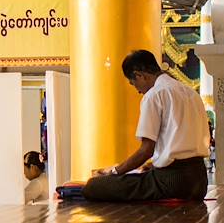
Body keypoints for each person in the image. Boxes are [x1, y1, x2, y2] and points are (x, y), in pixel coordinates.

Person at [82, 49, 210, 202]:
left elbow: (146, 150)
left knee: (94, 186)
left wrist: (115, 172)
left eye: (133, 83)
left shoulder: (154, 95)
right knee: (139, 177)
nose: (137, 90)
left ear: (139, 75)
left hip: (172, 182)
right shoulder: (192, 94)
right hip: (200, 181)